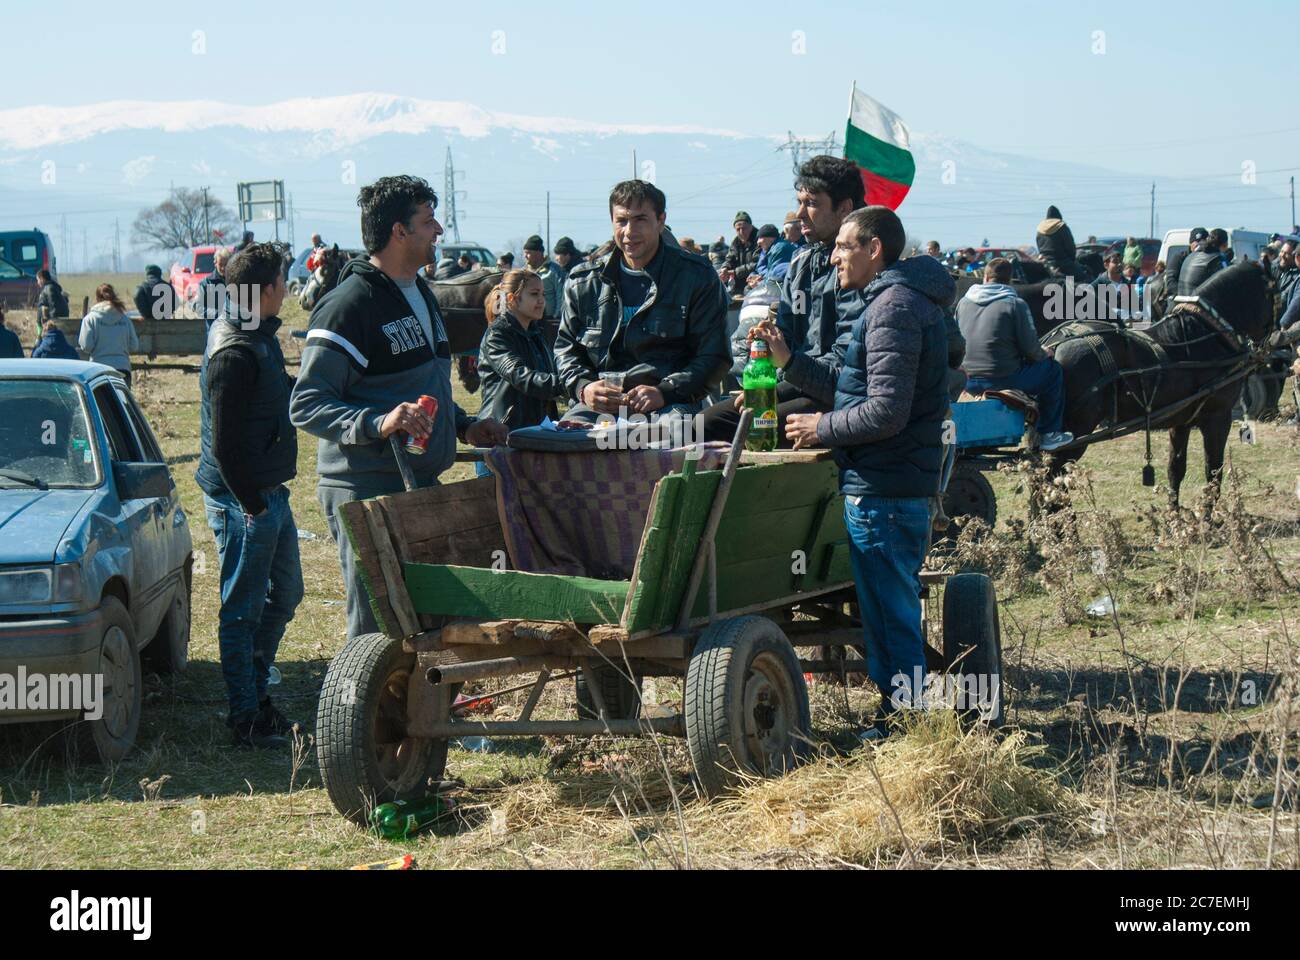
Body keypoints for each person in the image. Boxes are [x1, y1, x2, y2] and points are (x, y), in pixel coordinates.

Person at [290, 175, 507, 640]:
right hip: (364, 489)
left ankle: (413, 714)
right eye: (429, 222)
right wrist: (376, 422)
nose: (439, 231)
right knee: (375, 630)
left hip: (414, 482)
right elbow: (307, 403)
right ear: (399, 232)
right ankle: (356, 713)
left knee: (418, 623)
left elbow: (418, 388)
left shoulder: (421, 293)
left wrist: (464, 425)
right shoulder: (349, 305)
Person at [783, 206, 956, 741]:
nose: (834, 256)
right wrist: (790, 360)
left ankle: (906, 726)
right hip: (887, 482)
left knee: (890, 613)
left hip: (885, 487)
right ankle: (899, 717)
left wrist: (822, 428)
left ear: (874, 249)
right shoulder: (897, 301)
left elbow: (884, 411)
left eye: (844, 246)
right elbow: (854, 387)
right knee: (885, 609)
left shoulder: (893, 310)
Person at [194, 243, 304, 748]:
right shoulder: (233, 351)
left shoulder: (258, 334)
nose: (288, 287)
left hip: (266, 493)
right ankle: (246, 715)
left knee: (286, 594)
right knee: (242, 610)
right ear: (263, 292)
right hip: (245, 501)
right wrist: (254, 507)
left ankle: (257, 696)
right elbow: (223, 446)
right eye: (283, 279)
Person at [704, 155, 866, 445]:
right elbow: (789, 336)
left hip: (845, 401)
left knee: (752, 431)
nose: (799, 214)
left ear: (845, 208)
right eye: (799, 202)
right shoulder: (802, 263)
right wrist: (769, 345)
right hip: (801, 384)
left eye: (812, 203)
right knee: (702, 425)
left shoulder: (860, 268)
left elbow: (846, 372)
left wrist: (788, 364)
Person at [554, 179, 729, 435]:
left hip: (671, 405)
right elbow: (565, 350)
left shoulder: (696, 277)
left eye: (640, 220)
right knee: (559, 447)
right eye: (621, 220)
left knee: (670, 443)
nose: (629, 231)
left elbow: (715, 357)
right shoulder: (583, 282)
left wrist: (665, 391)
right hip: (598, 408)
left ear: (660, 220)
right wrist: (584, 387)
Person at [957, 258, 1073, 449]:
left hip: (967, 379)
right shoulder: (1015, 304)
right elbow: (1031, 351)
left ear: (985, 277)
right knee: (1053, 372)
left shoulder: (963, 303)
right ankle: (1049, 434)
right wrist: (1045, 353)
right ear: (1010, 280)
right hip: (1003, 378)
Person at [476, 270, 566, 474]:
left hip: (532, 440)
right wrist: (572, 385)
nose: (542, 300)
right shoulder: (497, 335)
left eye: (543, 294)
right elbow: (522, 377)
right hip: (499, 440)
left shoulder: (536, 335)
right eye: (534, 294)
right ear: (512, 299)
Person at [78, 283, 140, 385]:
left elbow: (86, 346)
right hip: (122, 369)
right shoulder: (124, 319)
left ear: (97, 298)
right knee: (121, 401)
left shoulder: (90, 319)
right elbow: (134, 346)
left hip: (98, 370)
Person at [1035, 206, 1092, 282]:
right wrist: (1072, 260)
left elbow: (1039, 247)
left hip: (1045, 263)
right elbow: (1070, 247)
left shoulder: (1040, 230)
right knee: (1085, 277)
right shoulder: (1061, 227)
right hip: (1063, 263)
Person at [522, 234, 563, 321]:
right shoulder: (524, 272)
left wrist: (556, 316)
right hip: (529, 319)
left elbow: (561, 295)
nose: (525, 256)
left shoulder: (554, 271)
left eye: (528, 253)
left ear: (538, 253)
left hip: (549, 319)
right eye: (524, 253)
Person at [1177, 227, 1227, 295]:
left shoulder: (1191, 255)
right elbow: (1227, 281)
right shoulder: (1218, 258)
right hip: (1200, 301)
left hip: (1181, 297)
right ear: (1224, 245)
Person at [721, 211, 760, 294]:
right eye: (738, 229)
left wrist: (734, 272)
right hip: (738, 285)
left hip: (756, 283)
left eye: (744, 228)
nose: (741, 232)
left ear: (751, 227)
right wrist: (725, 268)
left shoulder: (759, 240)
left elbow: (756, 263)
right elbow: (729, 259)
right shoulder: (735, 242)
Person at [197, 246, 231, 329]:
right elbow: (198, 307)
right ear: (215, 263)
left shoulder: (237, 282)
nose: (223, 268)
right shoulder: (206, 283)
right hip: (214, 332)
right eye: (221, 265)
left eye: (226, 264)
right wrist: (218, 314)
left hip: (233, 332)